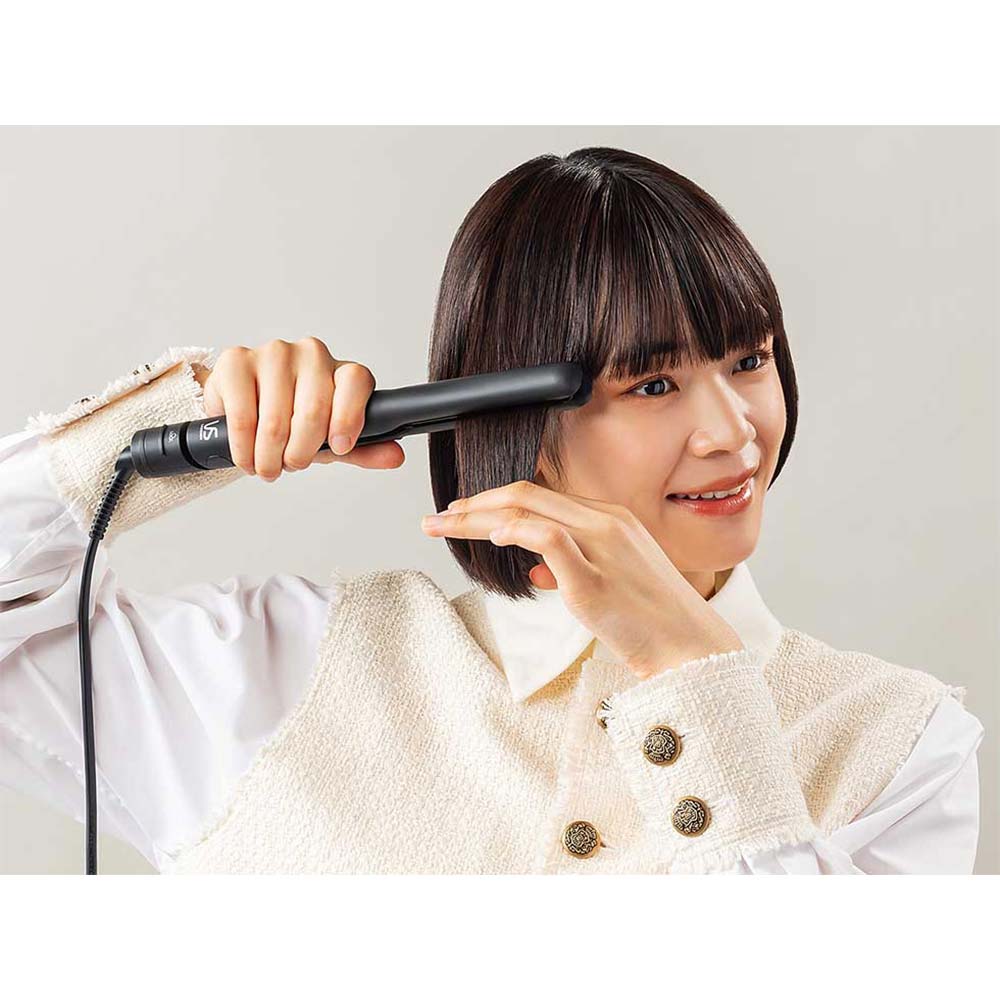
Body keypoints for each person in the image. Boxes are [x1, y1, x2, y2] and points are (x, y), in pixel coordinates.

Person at [0, 146, 983, 874]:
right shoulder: (274, 674)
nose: (733, 431)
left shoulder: (899, 744)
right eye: (652, 385)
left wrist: (695, 680)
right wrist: (179, 423)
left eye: (749, 360)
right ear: (515, 413)